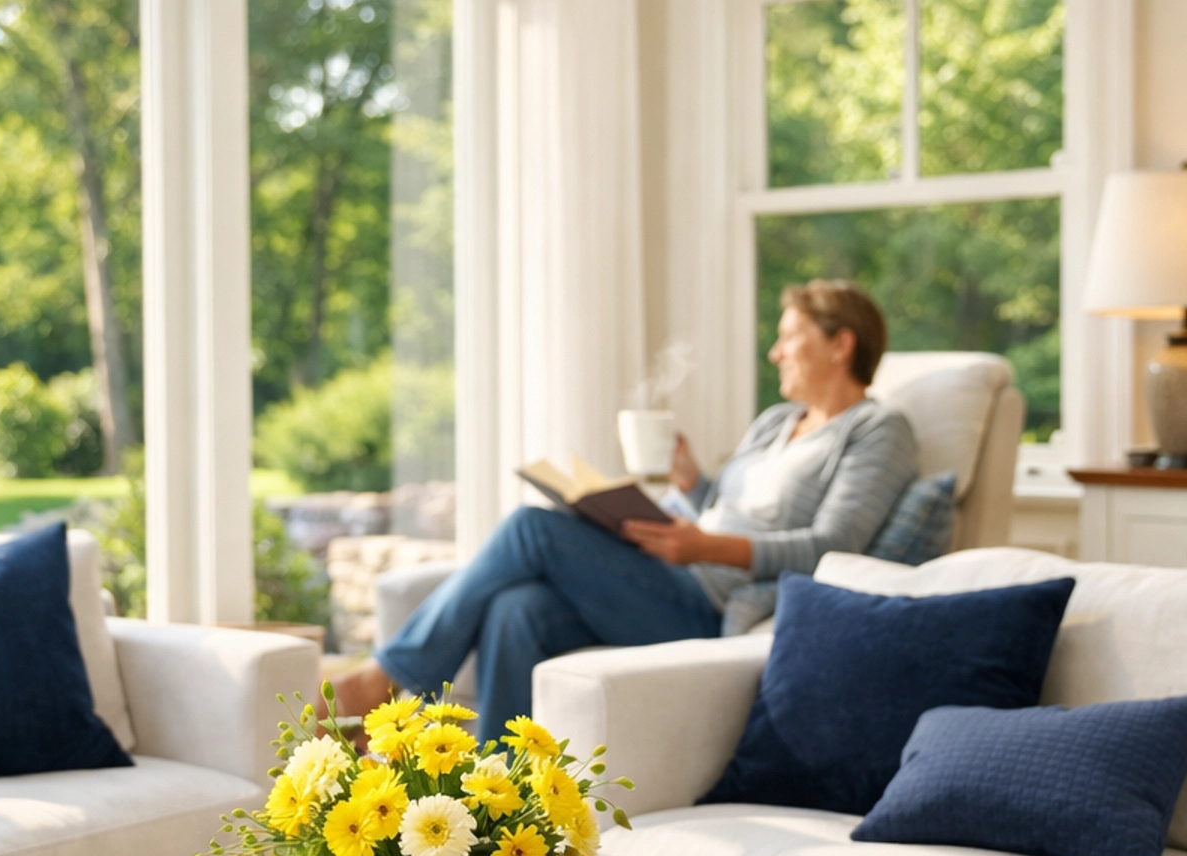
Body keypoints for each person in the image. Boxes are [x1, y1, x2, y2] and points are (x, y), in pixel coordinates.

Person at [333, 280, 918, 743]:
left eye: (790, 337)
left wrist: (703, 548)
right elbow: (726, 510)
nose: (776, 351)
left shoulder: (876, 429)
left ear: (841, 344)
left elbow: (834, 546)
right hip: (675, 573)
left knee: (531, 527)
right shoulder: (775, 423)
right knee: (516, 609)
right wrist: (692, 487)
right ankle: (495, 812)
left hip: (713, 604)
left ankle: (387, 679)